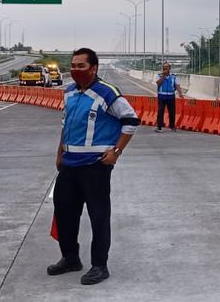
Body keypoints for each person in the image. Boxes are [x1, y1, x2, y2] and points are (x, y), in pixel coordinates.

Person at [48, 48, 140, 285]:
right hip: (69, 165)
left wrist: (116, 152)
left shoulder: (107, 93)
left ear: (94, 68)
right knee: (64, 212)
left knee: (98, 216)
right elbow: (65, 123)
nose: (76, 70)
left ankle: (100, 265)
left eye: (81, 66)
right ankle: (70, 258)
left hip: (94, 167)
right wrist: (60, 152)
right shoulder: (69, 92)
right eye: (74, 65)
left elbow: (130, 120)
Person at [154, 62, 184, 133]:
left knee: (172, 111)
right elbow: (158, 83)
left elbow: (177, 85)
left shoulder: (174, 76)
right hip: (162, 96)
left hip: (171, 96)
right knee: (160, 111)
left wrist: (180, 93)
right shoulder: (159, 75)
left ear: (170, 68)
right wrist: (163, 76)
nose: (165, 68)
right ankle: (159, 126)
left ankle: (172, 126)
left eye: (167, 67)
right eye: (164, 67)